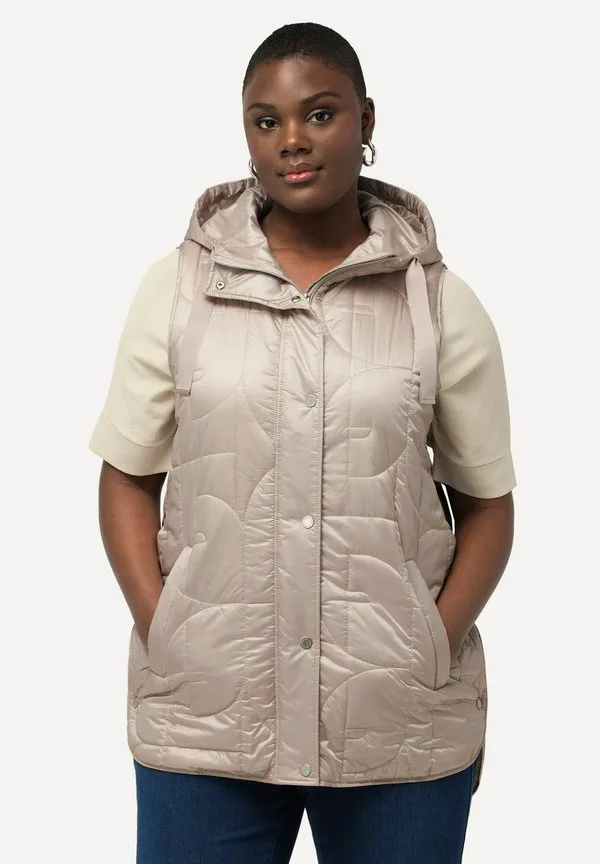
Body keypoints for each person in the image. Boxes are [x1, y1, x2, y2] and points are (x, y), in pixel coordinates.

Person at [89, 21, 516, 864]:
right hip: (206, 720)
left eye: (319, 114)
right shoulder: (179, 289)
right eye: (266, 120)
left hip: (399, 726)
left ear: (365, 119)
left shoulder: (438, 302)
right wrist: (166, 629)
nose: (292, 139)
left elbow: (488, 504)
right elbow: (126, 476)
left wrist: (430, 646)